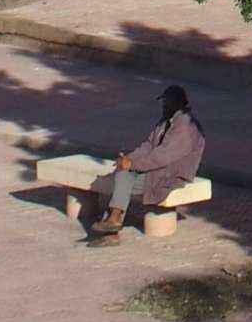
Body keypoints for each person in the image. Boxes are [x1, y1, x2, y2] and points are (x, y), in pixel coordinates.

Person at [87, 84, 205, 244]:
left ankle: (112, 227)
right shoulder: (165, 122)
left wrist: (133, 165)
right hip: (157, 170)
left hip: (171, 175)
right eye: (164, 102)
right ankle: (112, 227)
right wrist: (128, 159)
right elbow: (148, 146)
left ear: (178, 103)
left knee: (122, 179)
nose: (164, 105)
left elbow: (163, 156)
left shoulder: (185, 126)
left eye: (167, 102)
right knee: (121, 175)